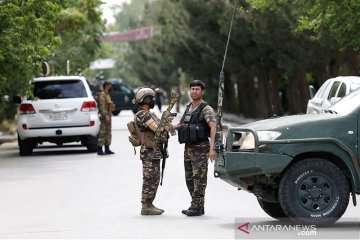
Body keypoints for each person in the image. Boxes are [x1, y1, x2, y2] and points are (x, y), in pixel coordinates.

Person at [175, 80, 216, 216]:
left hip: (200, 147)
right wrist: (171, 126)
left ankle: (197, 207)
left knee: (199, 178)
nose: (194, 91)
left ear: (202, 91)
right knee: (189, 178)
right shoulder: (189, 107)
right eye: (192, 89)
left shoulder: (206, 108)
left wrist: (212, 148)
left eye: (197, 89)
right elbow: (182, 124)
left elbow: (213, 127)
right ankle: (196, 204)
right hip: (188, 148)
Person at [132, 87, 170, 215]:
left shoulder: (150, 114)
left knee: (154, 178)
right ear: (146, 99)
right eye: (151, 98)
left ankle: (150, 203)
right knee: (149, 179)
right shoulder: (143, 114)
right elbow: (157, 129)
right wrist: (164, 122)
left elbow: (163, 129)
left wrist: (169, 124)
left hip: (154, 151)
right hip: (149, 152)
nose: (153, 101)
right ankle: (145, 206)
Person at [97, 81, 115, 155]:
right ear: (106, 86)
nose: (110, 87)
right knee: (102, 132)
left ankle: (107, 148)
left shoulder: (107, 95)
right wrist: (106, 116)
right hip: (105, 116)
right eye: (109, 86)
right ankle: (100, 149)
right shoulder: (102, 95)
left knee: (108, 133)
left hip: (108, 115)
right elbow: (102, 107)